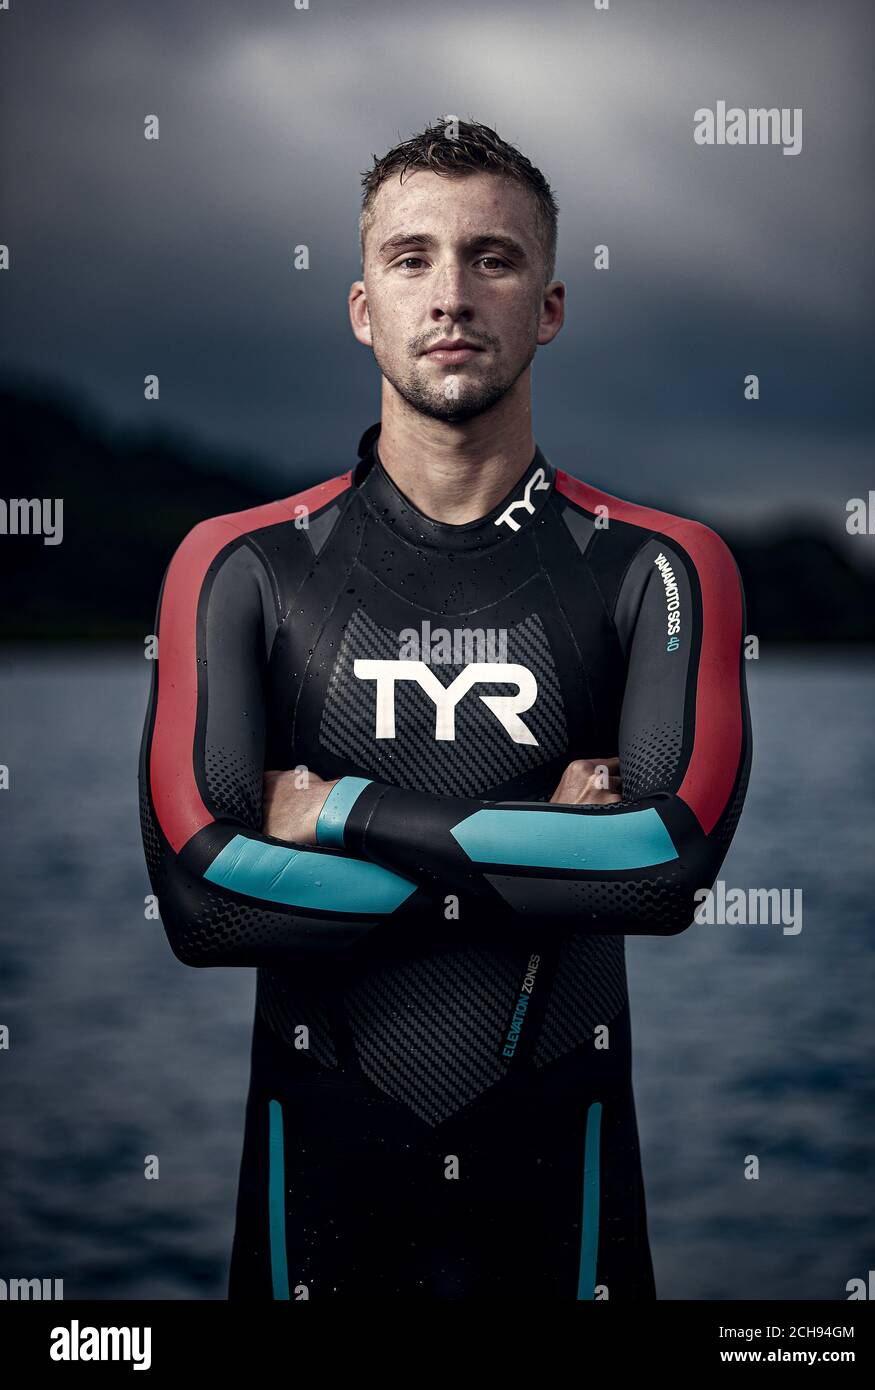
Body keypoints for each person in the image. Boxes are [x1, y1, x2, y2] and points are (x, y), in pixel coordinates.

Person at [138, 117, 752, 1300]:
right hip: (310, 1212)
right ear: (363, 307)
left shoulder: (659, 569)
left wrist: (337, 811)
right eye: (411, 258)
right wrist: (543, 850)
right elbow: (200, 901)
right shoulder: (241, 565)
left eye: (494, 257)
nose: (452, 294)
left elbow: (660, 875)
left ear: (552, 306)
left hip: (560, 1220)